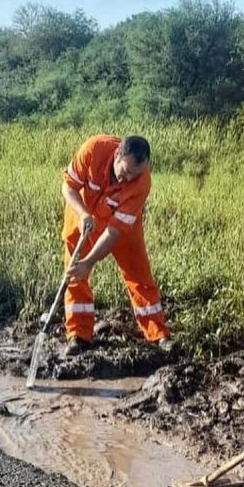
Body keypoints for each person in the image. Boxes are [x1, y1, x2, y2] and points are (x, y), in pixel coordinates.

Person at [61, 134, 172, 356]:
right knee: (75, 271)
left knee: (139, 275)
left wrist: (89, 261)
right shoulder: (94, 149)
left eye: (135, 174)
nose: (128, 179)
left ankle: (158, 334)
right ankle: (78, 335)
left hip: (120, 225)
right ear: (117, 154)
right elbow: (69, 187)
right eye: (126, 171)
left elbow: (114, 232)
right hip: (84, 214)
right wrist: (83, 214)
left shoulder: (141, 182)